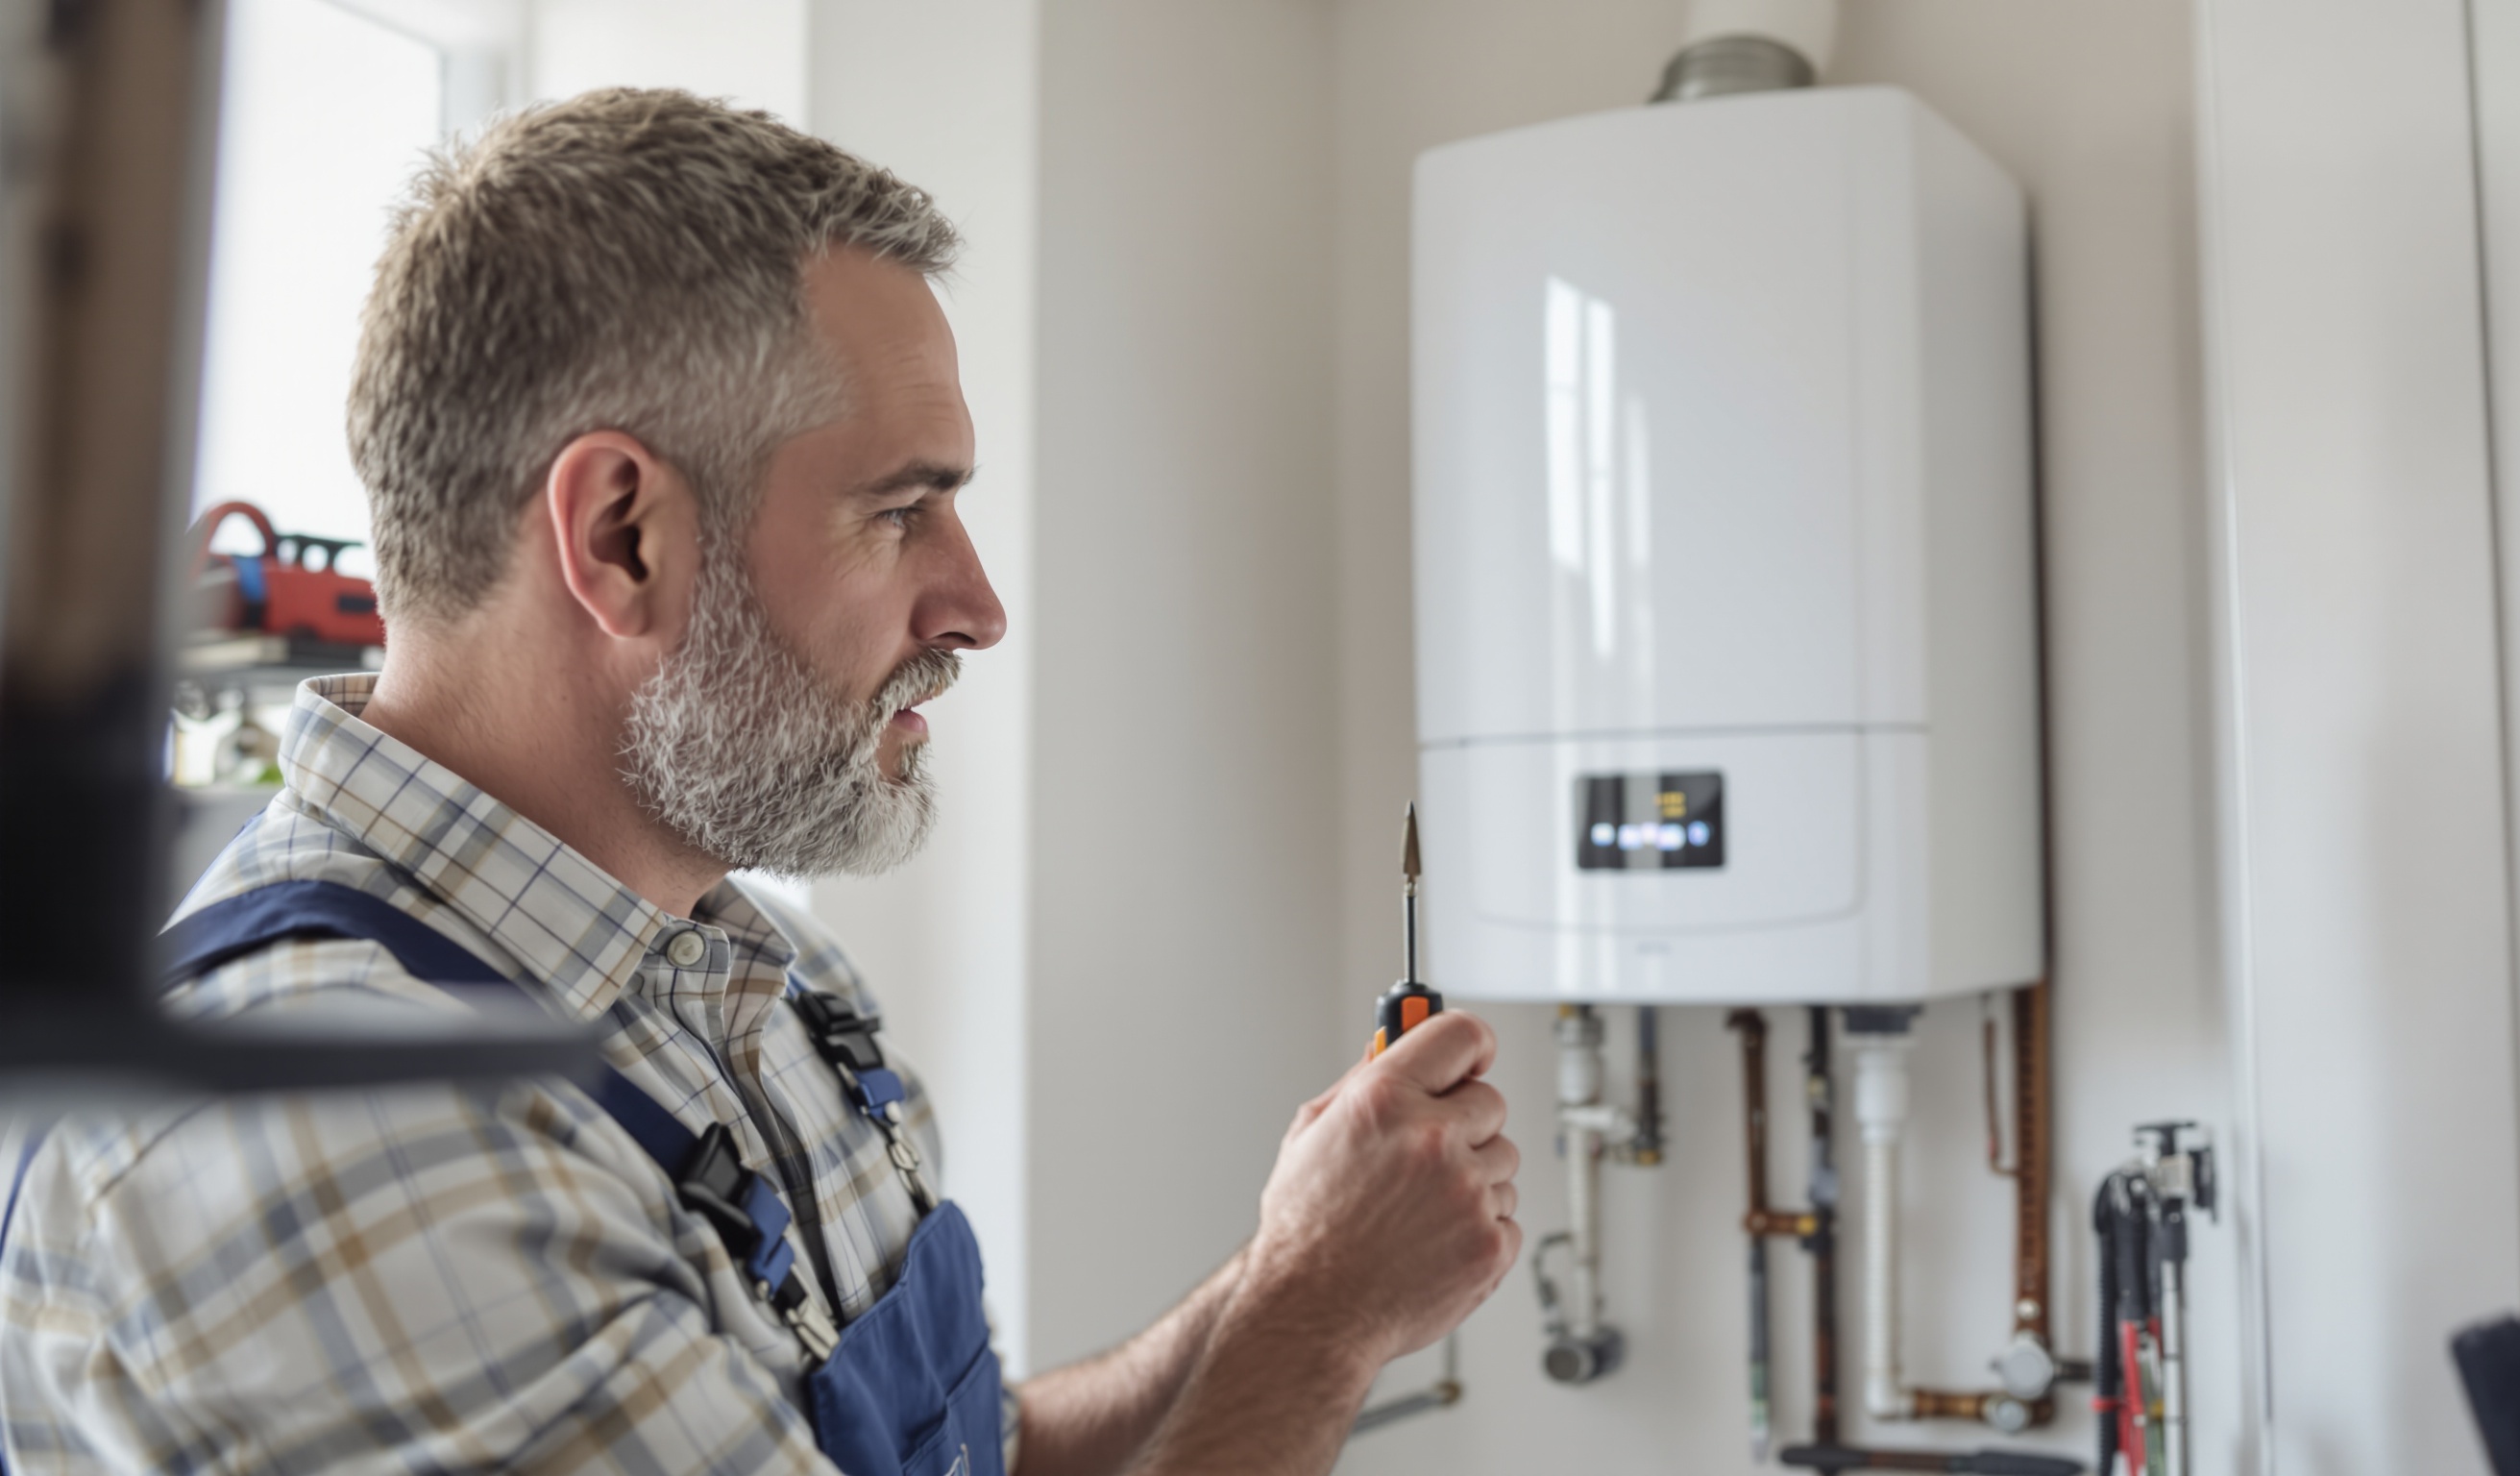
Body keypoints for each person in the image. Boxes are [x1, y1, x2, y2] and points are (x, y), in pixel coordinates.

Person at [0, 89, 1519, 1476]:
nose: (979, 604)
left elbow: (983, 1458)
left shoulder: (755, 976)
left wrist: (1288, 1261)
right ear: (620, 540)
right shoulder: (339, 1143)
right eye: (902, 510)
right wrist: (1320, 1319)